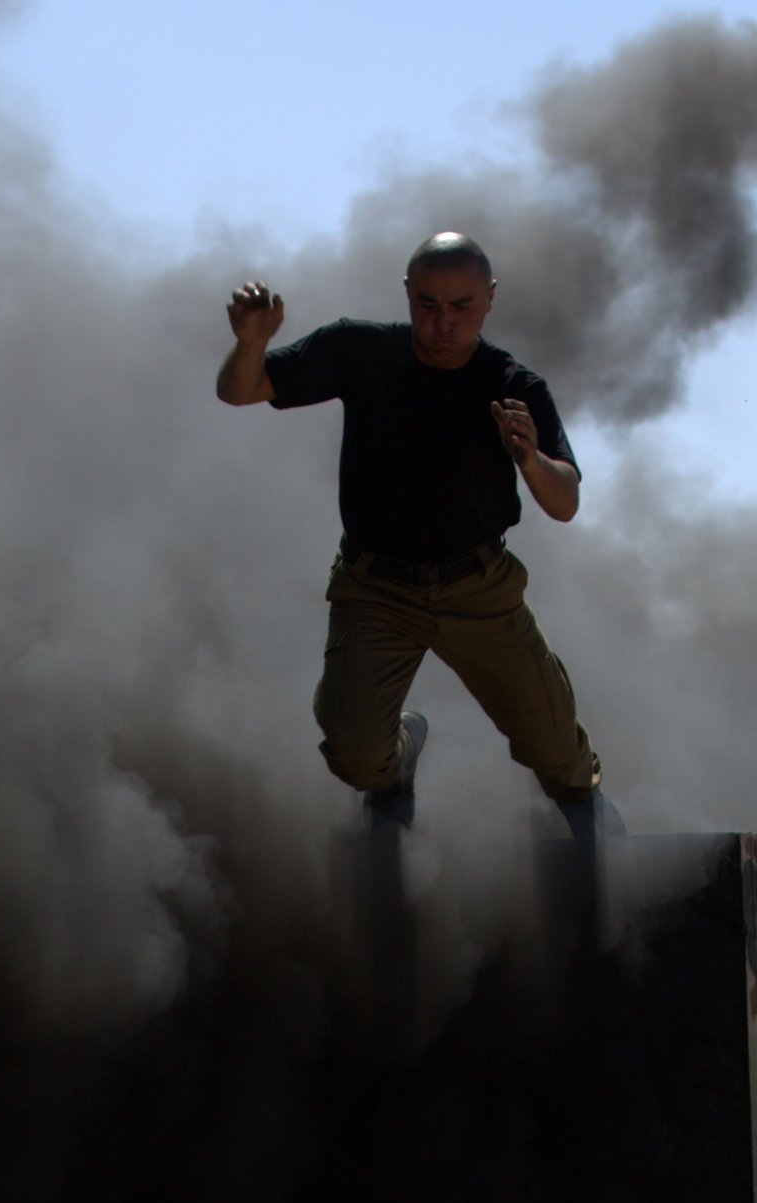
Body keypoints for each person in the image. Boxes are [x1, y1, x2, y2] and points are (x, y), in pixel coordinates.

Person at [216, 232, 617, 836]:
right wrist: (250, 344)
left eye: (461, 306)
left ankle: (593, 827)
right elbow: (240, 389)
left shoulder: (512, 385)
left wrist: (531, 460)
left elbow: (565, 502)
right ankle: (397, 766)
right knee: (355, 754)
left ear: (489, 299)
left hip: (479, 591)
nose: (444, 322)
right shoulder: (358, 349)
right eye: (428, 304)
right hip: (375, 589)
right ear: (407, 295)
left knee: (555, 746)